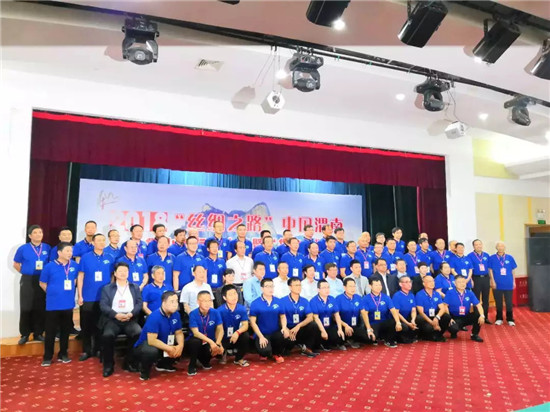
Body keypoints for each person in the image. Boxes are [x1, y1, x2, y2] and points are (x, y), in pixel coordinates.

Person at [99, 262, 142, 377]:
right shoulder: (107, 288)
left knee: (138, 333)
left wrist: (131, 314)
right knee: (107, 336)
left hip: (129, 318)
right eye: (120, 271)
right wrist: (115, 315)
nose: (123, 273)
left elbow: (139, 303)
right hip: (113, 319)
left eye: (125, 271)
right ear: (115, 273)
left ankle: (129, 362)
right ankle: (108, 365)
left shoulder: (135, 287)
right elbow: (103, 305)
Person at [39, 242, 78, 366]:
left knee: (65, 331)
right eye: (67, 251)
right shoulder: (49, 266)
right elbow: (42, 283)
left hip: (68, 304)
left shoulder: (74, 265)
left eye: (71, 251)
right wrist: (52, 292)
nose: (70, 253)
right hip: (53, 304)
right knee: (50, 332)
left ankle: (63, 354)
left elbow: (75, 281)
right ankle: (47, 356)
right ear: (59, 252)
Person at [77, 233, 113, 361]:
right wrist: (80, 295)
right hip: (88, 297)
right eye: (99, 240)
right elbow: (80, 276)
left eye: (103, 240)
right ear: (93, 243)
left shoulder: (110, 257)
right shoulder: (85, 257)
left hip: (104, 298)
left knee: (100, 325)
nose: (102, 242)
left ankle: (98, 349)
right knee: (86, 325)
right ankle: (86, 351)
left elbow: (113, 276)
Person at [133, 291, 184, 380]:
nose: (175, 304)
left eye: (176, 301)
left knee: (180, 342)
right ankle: (144, 371)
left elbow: (179, 332)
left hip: (164, 342)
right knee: (151, 351)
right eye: (172, 302)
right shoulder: (154, 317)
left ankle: (163, 364)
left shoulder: (176, 315)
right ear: (164, 303)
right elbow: (152, 341)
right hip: (146, 346)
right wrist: (170, 349)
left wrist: (180, 346)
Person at [13, 224, 51, 344]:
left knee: (40, 306)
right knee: (26, 306)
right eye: (35, 232)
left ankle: (38, 333)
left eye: (40, 232)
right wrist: (25, 272)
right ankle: (25, 334)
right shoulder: (23, 248)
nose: (38, 234)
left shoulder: (47, 247)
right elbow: (16, 264)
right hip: (28, 280)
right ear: (30, 235)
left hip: (42, 280)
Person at [186, 291, 224, 376]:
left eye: (209, 300)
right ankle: (192, 365)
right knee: (195, 342)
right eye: (204, 301)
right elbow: (196, 333)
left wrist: (218, 344)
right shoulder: (193, 314)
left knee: (216, 350)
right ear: (198, 302)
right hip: (197, 342)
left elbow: (220, 329)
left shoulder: (215, 312)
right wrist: (211, 342)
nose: (207, 303)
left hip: (210, 342)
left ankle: (204, 361)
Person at [249, 278, 286, 363]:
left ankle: (276, 354)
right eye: (267, 286)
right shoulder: (255, 303)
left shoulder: (278, 301)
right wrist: (261, 337)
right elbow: (253, 322)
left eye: (272, 286)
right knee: (265, 351)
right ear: (262, 288)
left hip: (275, 332)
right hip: (262, 333)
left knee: (283, 335)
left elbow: (283, 316)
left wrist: (284, 327)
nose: (270, 289)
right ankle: (263, 353)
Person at [281, 278, 319, 357]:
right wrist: (286, 329)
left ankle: (307, 348)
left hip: (300, 327)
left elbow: (310, 317)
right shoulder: (283, 301)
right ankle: (291, 347)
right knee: (287, 347)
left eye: (300, 285)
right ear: (290, 287)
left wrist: (298, 326)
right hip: (289, 328)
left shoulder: (304, 301)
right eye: (296, 285)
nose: (299, 287)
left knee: (313, 325)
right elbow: (280, 318)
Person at [361, 277, 402, 348]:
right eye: (376, 285)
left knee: (393, 322)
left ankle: (388, 340)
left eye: (380, 285)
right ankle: (377, 337)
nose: (378, 287)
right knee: (370, 339)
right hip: (372, 323)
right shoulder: (366, 298)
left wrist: (398, 322)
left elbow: (393, 310)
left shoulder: (386, 297)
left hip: (384, 322)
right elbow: (364, 314)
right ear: (370, 286)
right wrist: (368, 328)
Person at [217, 285, 250, 367]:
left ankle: (238, 358)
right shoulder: (219, 311)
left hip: (236, 336)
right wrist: (219, 343)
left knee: (246, 336)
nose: (234, 297)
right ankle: (223, 354)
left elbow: (245, 325)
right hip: (223, 337)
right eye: (230, 295)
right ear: (224, 297)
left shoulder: (241, 309)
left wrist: (237, 333)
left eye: (235, 293)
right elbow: (218, 330)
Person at [444, 275, 485, 342]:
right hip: (454, 317)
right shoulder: (450, 292)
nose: (462, 284)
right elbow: (445, 306)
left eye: (463, 282)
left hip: (465, 316)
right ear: (455, 283)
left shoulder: (469, 293)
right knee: (453, 328)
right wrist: (449, 318)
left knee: (478, 315)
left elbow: (478, 305)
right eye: (459, 282)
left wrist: (482, 315)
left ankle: (474, 335)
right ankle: (453, 332)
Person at [310, 279, 346, 351]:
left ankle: (331, 343)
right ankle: (321, 344)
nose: (327, 290)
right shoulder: (313, 301)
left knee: (340, 336)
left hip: (329, 324)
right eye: (324, 288)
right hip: (319, 326)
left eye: (328, 287)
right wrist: (323, 331)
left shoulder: (332, 299)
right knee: (316, 332)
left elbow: (337, 315)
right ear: (318, 290)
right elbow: (316, 318)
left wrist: (340, 329)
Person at [488, 241, 517, 326]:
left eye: (502, 246)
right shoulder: (492, 258)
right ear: (496, 248)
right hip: (497, 283)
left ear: (504, 248)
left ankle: (510, 319)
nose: (500, 248)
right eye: (499, 246)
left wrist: (513, 281)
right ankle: (499, 318)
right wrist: (492, 281)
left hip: (508, 283)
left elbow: (513, 270)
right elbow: (490, 270)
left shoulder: (510, 258)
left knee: (509, 302)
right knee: (498, 302)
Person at [415, 275, 451, 342]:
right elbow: (421, 312)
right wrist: (432, 323)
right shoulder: (419, 294)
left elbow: (442, 308)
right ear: (424, 283)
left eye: (433, 281)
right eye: (429, 281)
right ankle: (427, 335)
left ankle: (438, 334)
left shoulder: (436, 294)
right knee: (422, 321)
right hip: (426, 317)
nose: (432, 283)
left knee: (446, 316)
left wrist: (437, 317)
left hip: (435, 315)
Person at [336, 278, 369, 348]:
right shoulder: (338, 299)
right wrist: (345, 326)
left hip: (355, 326)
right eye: (350, 286)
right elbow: (335, 316)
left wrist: (369, 328)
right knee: (336, 337)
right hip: (342, 326)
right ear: (344, 287)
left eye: (354, 286)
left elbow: (363, 313)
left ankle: (351, 339)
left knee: (368, 338)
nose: (353, 288)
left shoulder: (358, 297)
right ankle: (343, 341)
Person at [468, 239, 492, 324]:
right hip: (476, 279)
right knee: (476, 299)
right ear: (473, 246)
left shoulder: (486, 255)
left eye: (480, 244)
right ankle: (477, 317)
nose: (478, 246)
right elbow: (469, 269)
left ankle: (485, 317)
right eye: (476, 245)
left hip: (485, 278)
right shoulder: (470, 256)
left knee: (486, 299)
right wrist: (471, 280)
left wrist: (491, 279)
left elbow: (489, 268)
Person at [392, 276, 418, 343]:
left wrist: (413, 320)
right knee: (405, 327)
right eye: (406, 282)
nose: (409, 284)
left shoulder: (411, 295)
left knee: (418, 320)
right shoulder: (397, 296)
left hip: (408, 317)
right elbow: (396, 313)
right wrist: (407, 323)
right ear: (400, 284)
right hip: (399, 318)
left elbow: (413, 310)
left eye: (410, 282)